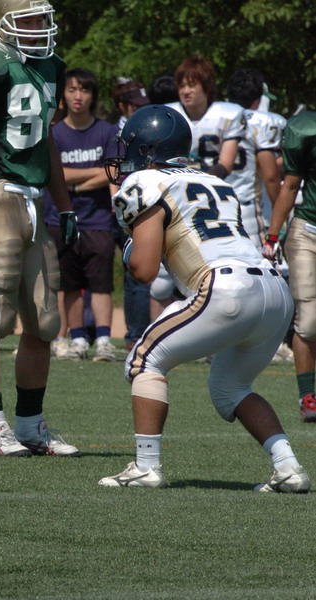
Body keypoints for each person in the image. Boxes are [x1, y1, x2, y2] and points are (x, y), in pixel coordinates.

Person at [99, 104, 309, 492]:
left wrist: (130, 251)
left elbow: (144, 271)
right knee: (231, 387)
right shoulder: (215, 181)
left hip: (225, 288)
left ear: (147, 149)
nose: (123, 156)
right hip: (273, 291)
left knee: (145, 360)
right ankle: (288, 467)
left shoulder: (145, 181)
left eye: (129, 146)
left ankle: (146, 466)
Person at [0, 0, 81, 457]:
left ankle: (30, 425)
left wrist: (66, 207)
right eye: (29, 21)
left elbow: (47, 141)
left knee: (44, 321)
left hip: (34, 200)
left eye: (43, 19)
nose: (40, 28)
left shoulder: (49, 66)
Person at [150, 56, 246, 321]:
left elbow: (225, 164)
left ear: (207, 86)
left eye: (192, 84)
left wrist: (193, 178)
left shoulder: (228, 114)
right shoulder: (168, 113)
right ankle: (155, 334)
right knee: (160, 285)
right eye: (182, 85)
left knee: (220, 275)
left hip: (214, 205)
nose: (186, 91)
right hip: (176, 204)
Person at [43, 68, 119, 362]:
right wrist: (95, 172)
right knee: (69, 285)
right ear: (62, 95)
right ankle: (77, 339)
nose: (78, 96)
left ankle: (103, 340)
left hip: (98, 220)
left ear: (93, 96)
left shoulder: (107, 131)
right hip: (61, 219)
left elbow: (113, 172)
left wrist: (75, 181)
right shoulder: (54, 132)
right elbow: (56, 173)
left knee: (101, 284)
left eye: (84, 90)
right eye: (72, 89)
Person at [263, 110, 316, 423]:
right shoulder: (306, 129)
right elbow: (291, 185)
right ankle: (308, 396)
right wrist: (272, 235)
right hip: (309, 232)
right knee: (309, 322)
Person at [111, 76, 152, 352]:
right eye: (134, 105)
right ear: (121, 105)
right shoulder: (116, 133)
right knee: (134, 273)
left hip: (146, 204)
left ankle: (142, 333)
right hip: (124, 207)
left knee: (144, 273)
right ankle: (135, 336)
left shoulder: (149, 129)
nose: (140, 110)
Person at [226, 68, 285, 250]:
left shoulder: (219, 118)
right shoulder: (264, 121)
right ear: (258, 100)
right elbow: (270, 176)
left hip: (216, 202)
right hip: (250, 207)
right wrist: (281, 212)